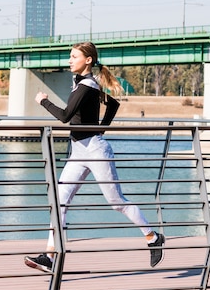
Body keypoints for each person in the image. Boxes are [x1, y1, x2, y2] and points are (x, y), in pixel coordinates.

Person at [24, 41, 165, 273]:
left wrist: (43, 101)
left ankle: (152, 236)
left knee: (116, 202)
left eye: (74, 56)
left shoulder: (86, 85)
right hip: (79, 151)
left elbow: (66, 116)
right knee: (59, 200)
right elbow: (113, 104)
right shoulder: (84, 84)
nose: (69, 60)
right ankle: (49, 257)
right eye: (70, 56)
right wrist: (101, 127)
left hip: (96, 151)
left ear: (88, 60)